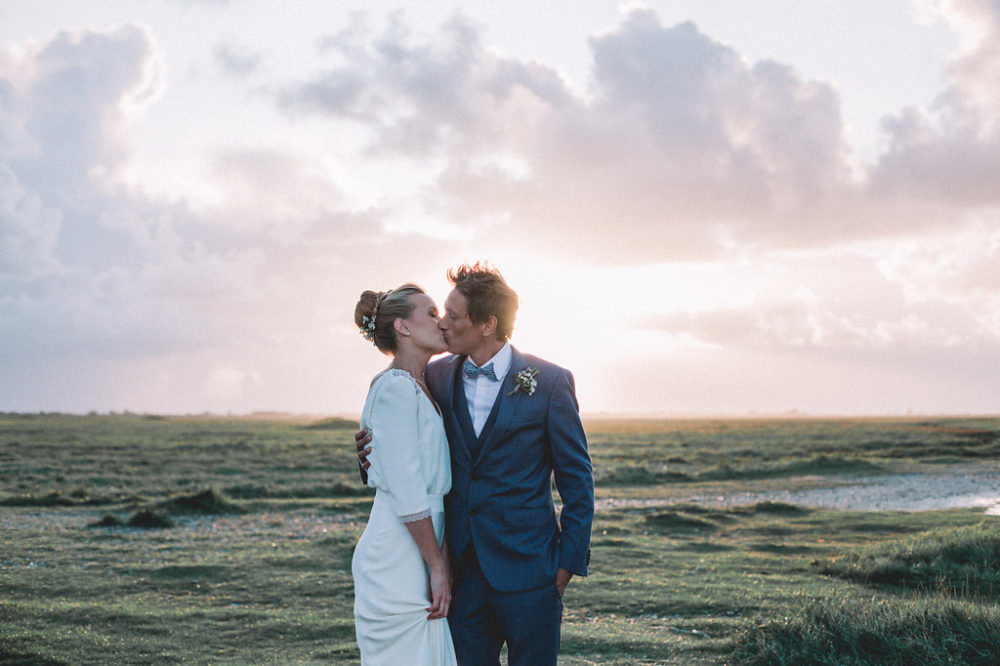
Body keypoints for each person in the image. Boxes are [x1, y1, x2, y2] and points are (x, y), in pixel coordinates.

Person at [356, 263, 594, 665]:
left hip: (532, 572)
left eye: (453, 315)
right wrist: (368, 452)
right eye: (439, 314)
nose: (444, 324)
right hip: (461, 574)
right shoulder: (435, 377)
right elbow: (405, 446)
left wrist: (567, 564)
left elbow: (577, 480)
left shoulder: (550, 382)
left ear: (487, 325)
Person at [351, 284, 458, 665]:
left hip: (424, 546)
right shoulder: (396, 387)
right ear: (403, 327)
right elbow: (408, 487)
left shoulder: (422, 386)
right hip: (398, 557)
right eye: (430, 313)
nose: (441, 321)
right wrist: (437, 567)